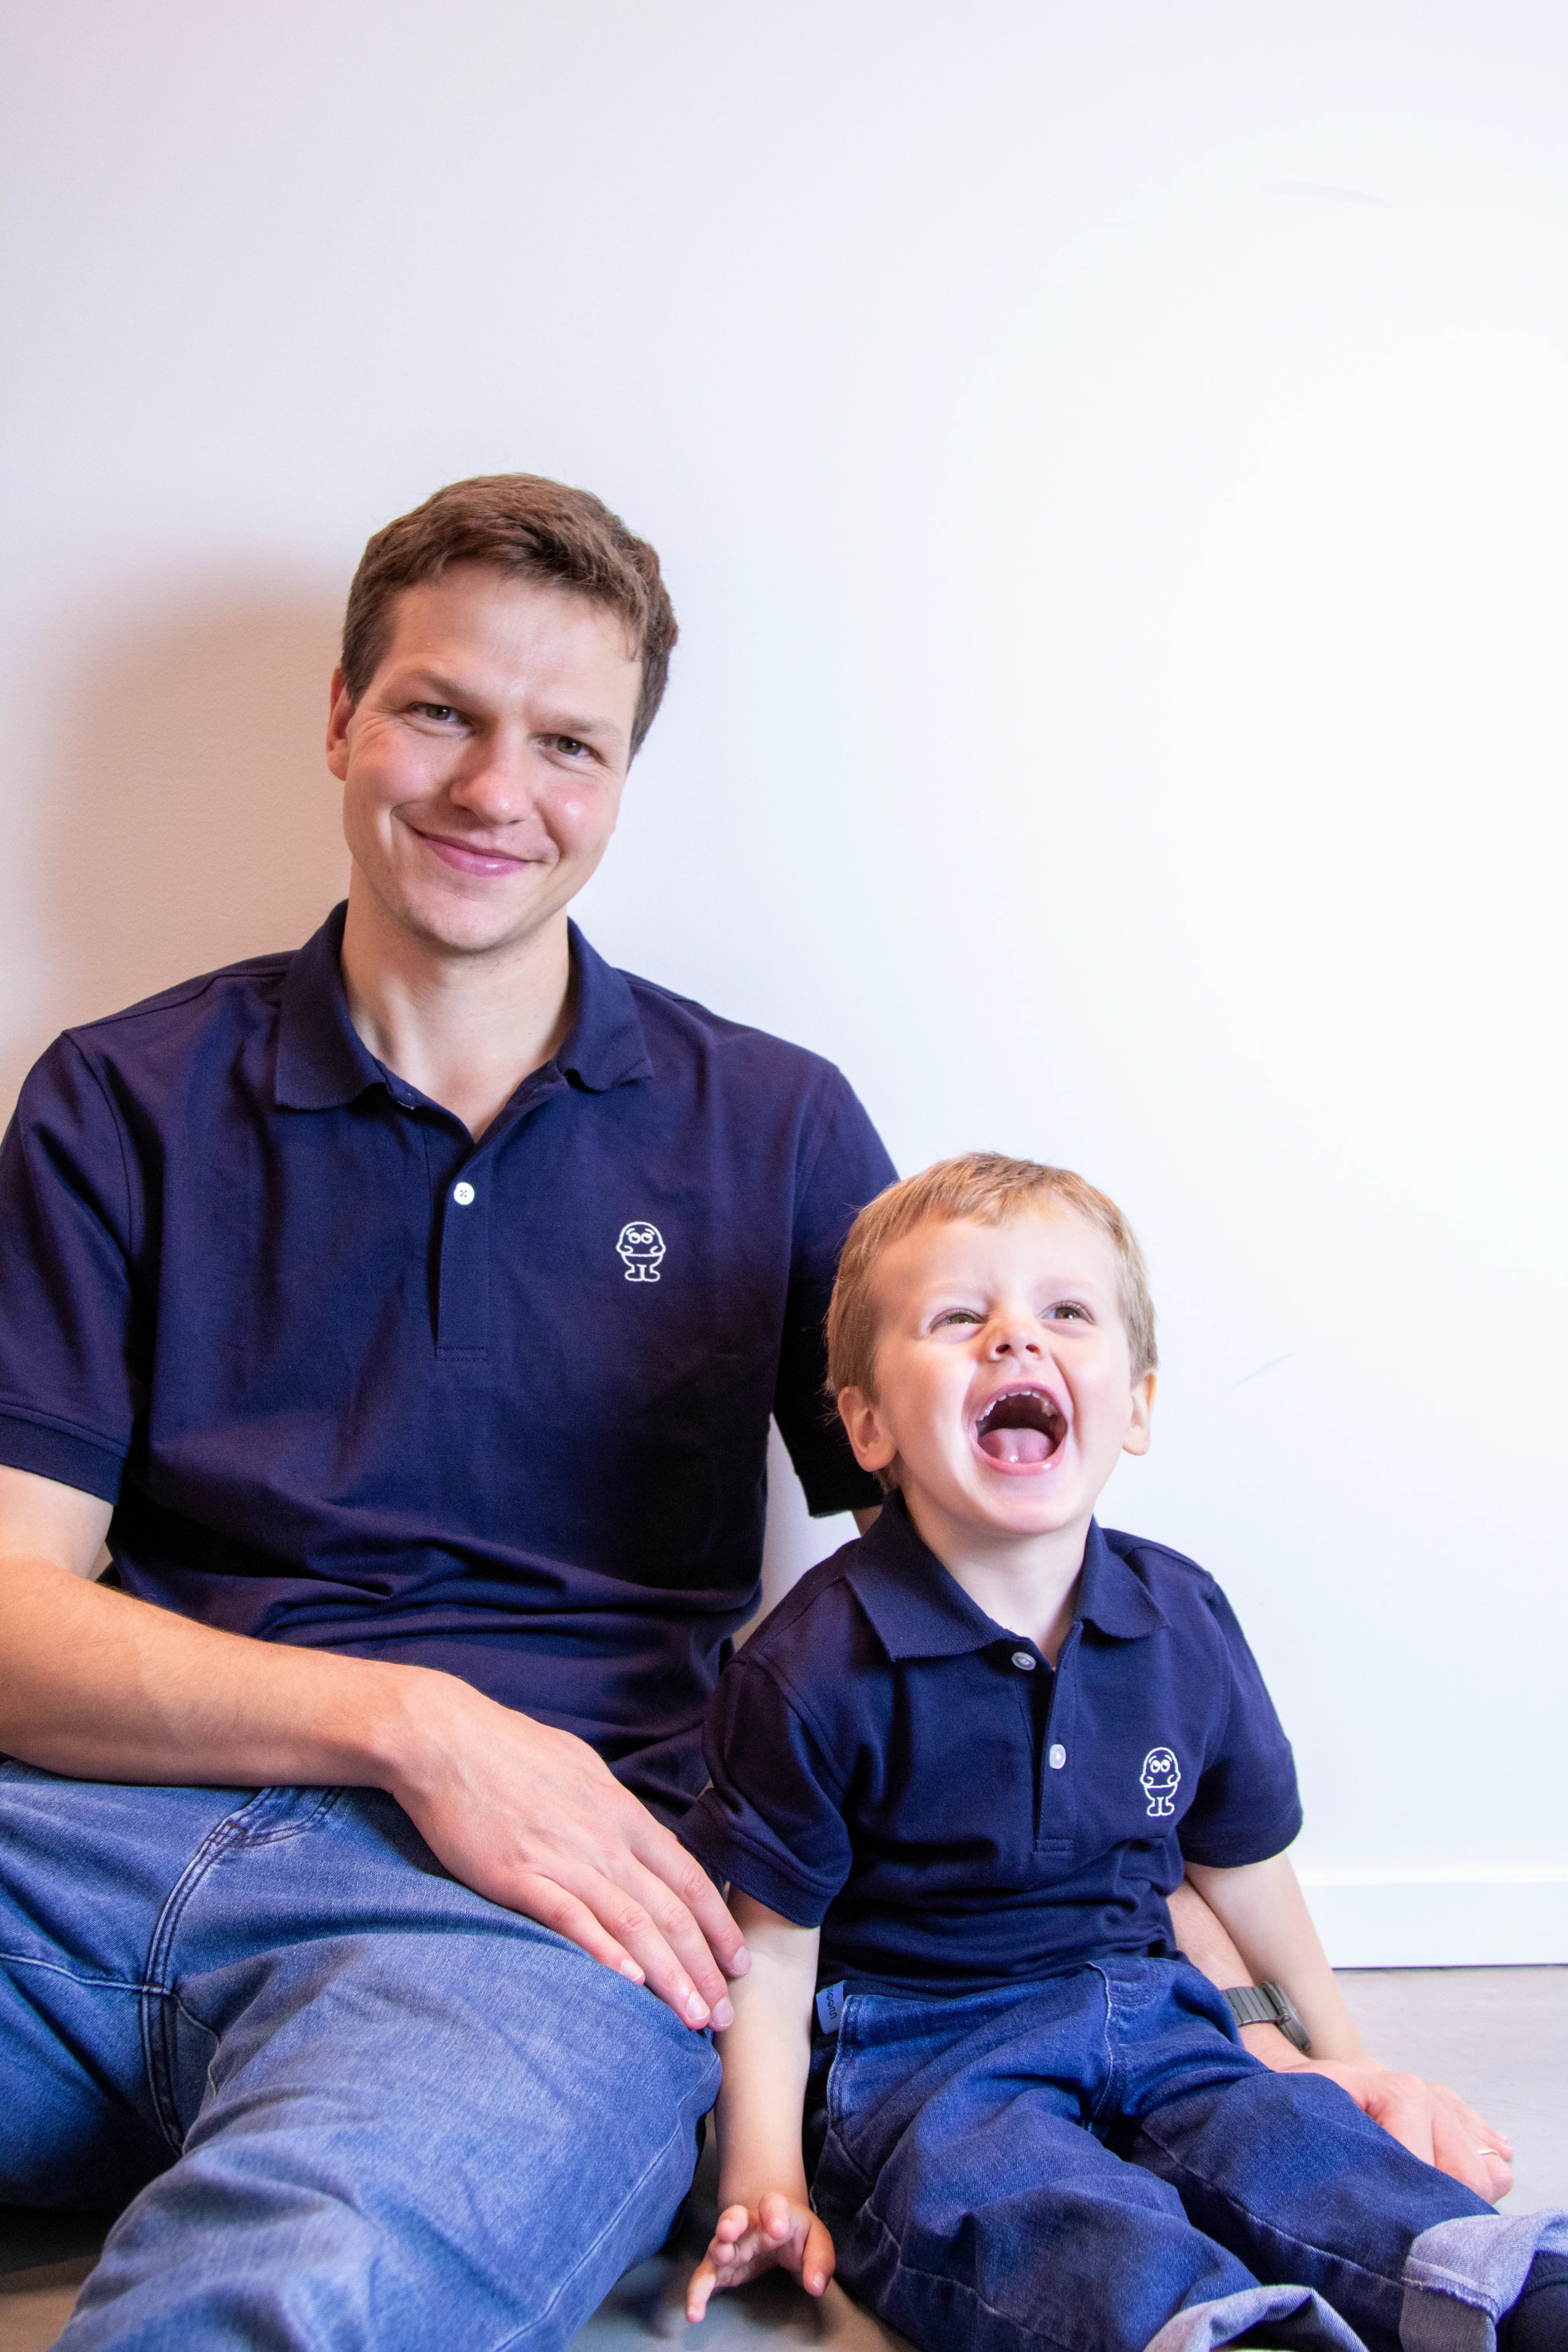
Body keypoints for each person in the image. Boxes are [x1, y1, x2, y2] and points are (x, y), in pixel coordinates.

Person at [0, 479, 1511, 2352]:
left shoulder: (774, 1127)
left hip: (557, 1916)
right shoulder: (117, 1100)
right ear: (340, 717)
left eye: (569, 743)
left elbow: (968, 1600)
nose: (496, 791)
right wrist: (411, 1727)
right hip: (81, 1847)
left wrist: (1261, 2031)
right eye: (439, 712)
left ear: (623, 778)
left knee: (313, 2274)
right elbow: (12, 1619)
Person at [680, 1155, 1567, 2352]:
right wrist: (766, 2181)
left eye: (1065, 1313)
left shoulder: (1181, 1618)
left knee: (1288, 2143)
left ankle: (1499, 2294)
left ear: (1137, 1405)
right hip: (925, 2045)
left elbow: (1244, 1869)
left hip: (1155, 2009)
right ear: (868, 1424)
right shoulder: (812, 1668)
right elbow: (773, 1964)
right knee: (1029, 2206)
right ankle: (1217, 2329)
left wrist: (1341, 2060)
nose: (1015, 1342)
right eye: (959, 1318)